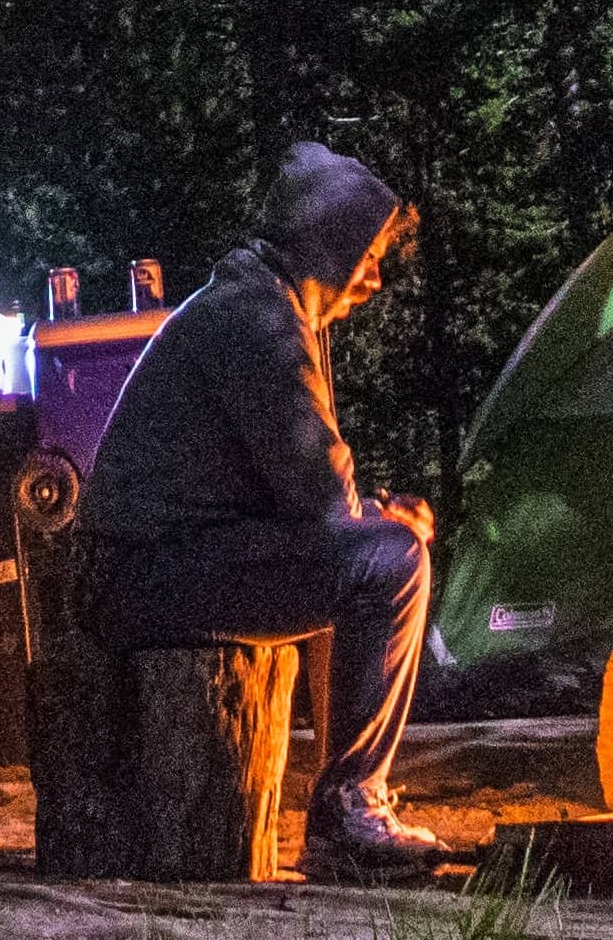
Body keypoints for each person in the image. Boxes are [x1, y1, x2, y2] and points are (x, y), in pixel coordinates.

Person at [76, 138, 444, 876]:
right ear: (329, 244)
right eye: (367, 256)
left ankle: (348, 806)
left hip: (162, 562)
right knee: (391, 565)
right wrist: (376, 522)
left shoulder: (259, 302)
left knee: (380, 552)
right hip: (141, 576)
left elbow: (303, 490)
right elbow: (320, 498)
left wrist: (369, 512)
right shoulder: (257, 320)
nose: (374, 279)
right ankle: (350, 813)